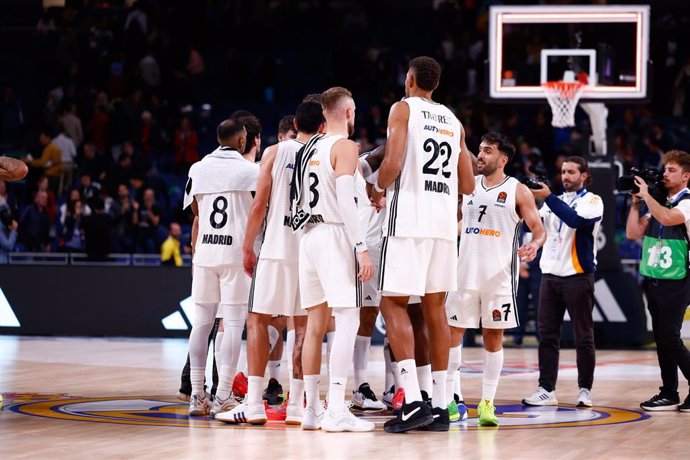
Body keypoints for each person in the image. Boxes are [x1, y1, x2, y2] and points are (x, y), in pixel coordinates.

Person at [370, 56, 475, 433]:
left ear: (410, 79)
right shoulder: (453, 120)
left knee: (392, 302)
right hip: (444, 225)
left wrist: (376, 185)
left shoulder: (403, 108)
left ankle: (413, 401)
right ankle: (442, 403)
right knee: (435, 310)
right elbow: (467, 184)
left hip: (408, 220)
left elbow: (393, 162)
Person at [217, 101, 325, 425]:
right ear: (322, 127)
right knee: (302, 326)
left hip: (276, 246)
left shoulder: (276, 153)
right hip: (308, 250)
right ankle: (296, 407)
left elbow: (259, 204)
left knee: (257, 320)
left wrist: (247, 246)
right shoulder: (324, 155)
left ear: (294, 122)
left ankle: (252, 404)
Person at [289, 86, 375, 432]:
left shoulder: (307, 147)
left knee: (315, 324)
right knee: (348, 318)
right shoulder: (346, 147)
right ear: (348, 113)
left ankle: (311, 411)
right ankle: (337, 409)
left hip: (307, 237)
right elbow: (344, 200)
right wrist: (361, 247)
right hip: (335, 234)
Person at [446, 132, 545, 426]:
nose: (481, 155)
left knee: (493, 338)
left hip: (499, 277)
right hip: (464, 273)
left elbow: (538, 228)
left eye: (487, 151)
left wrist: (535, 244)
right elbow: (455, 220)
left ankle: (487, 403)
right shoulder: (468, 187)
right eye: (479, 149)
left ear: (502, 159)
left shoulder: (518, 190)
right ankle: (454, 400)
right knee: (453, 336)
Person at [183, 119, 259, 416]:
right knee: (233, 325)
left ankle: (197, 395)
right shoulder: (250, 170)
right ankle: (223, 395)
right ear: (242, 142)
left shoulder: (198, 167)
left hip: (206, 253)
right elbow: (258, 210)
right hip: (234, 254)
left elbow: (197, 210)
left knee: (201, 324)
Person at [522, 156, 603, 408]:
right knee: (546, 335)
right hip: (550, 275)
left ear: (584, 175)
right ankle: (546, 388)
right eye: (563, 172)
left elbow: (576, 221)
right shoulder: (552, 202)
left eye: (571, 172)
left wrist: (547, 198)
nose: (565, 176)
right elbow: (538, 227)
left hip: (578, 276)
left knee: (583, 336)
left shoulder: (593, 201)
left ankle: (584, 390)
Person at [625, 150, 690, 412]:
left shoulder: (685, 203)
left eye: (671, 170)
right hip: (655, 278)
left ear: (686, 176)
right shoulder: (659, 203)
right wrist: (634, 202)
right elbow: (632, 233)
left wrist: (649, 197)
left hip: (679, 279)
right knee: (663, 339)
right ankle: (669, 392)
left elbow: (667, 218)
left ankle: (672, 389)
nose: (665, 173)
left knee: (670, 337)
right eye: (664, 169)